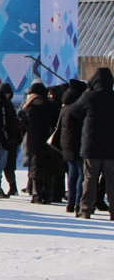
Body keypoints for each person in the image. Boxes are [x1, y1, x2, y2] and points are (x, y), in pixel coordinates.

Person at [70, 68, 114, 220]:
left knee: (89, 179)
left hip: (91, 146)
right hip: (111, 149)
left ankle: (85, 209)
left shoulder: (89, 97)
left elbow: (74, 110)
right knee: (111, 180)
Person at [21, 82, 62, 204]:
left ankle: (37, 194)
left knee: (35, 168)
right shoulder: (52, 106)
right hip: (50, 142)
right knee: (49, 168)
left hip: (34, 142)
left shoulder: (29, 108)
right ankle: (48, 194)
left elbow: (25, 125)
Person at [59, 80, 88, 213]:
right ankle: (77, 203)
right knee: (82, 173)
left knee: (72, 173)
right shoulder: (78, 107)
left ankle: (70, 203)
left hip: (66, 143)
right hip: (77, 143)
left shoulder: (65, 106)